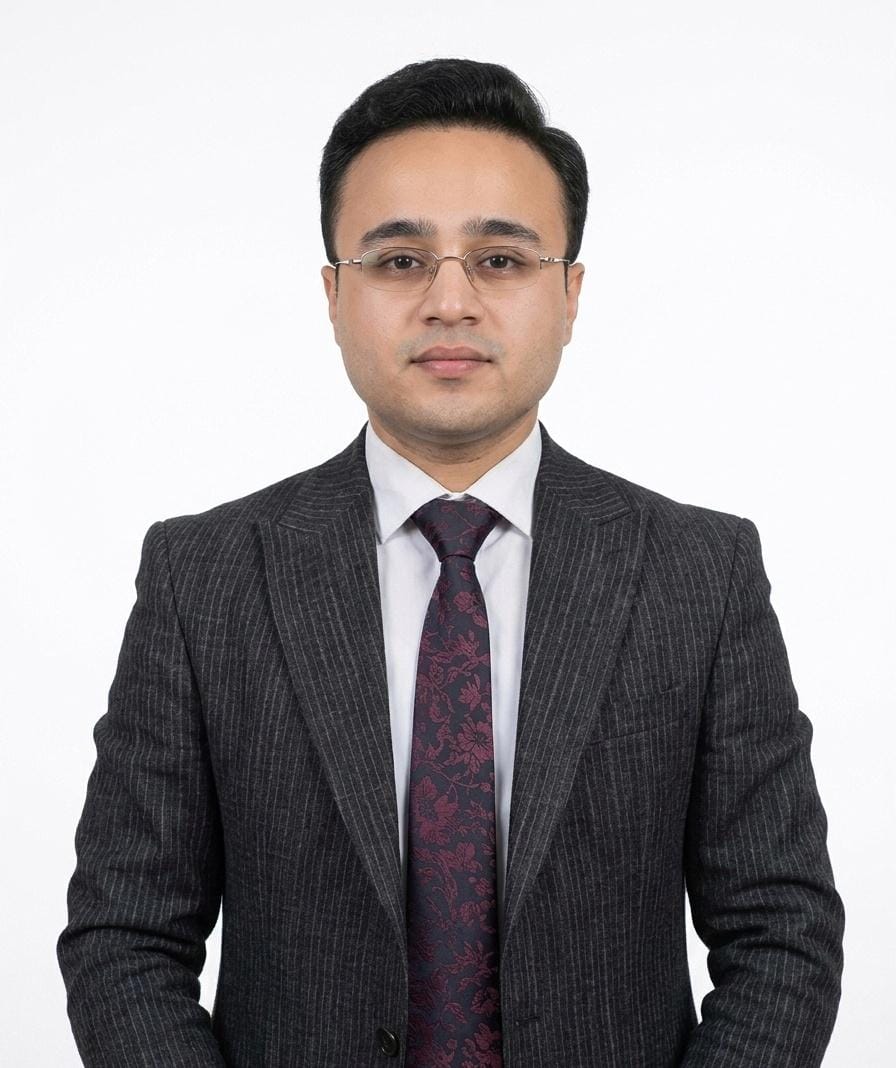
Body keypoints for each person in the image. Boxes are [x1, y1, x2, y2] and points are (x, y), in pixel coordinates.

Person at [57, 58, 845, 1067]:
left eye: (500, 259)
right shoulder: (207, 575)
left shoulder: (698, 572)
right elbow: (125, 938)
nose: (449, 301)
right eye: (398, 260)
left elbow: (781, 934)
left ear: (570, 293)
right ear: (333, 294)